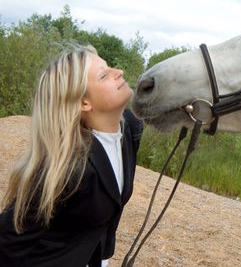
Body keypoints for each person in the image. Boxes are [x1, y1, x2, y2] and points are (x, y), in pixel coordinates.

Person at [0, 44, 143, 267]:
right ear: (83, 102)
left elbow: (111, 203)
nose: (119, 72)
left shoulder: (130, 129)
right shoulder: (69, 168)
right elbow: (8, 243)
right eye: (104, 75)